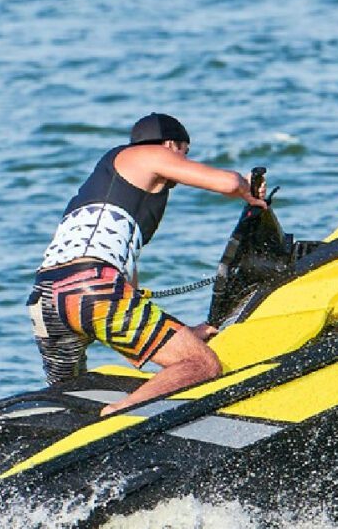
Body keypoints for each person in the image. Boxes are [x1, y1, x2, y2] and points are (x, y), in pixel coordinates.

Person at [31, 113, 266, 415]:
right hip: (91, 288)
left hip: (47, 299)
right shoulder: (148, 154)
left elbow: (128, 297)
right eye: (185, 153)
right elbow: (227, 182)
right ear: (171, 145)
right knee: (203, 364)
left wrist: (181, 334)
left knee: (69, 401)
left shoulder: (109, 193)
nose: (184, 162)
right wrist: (246, 187)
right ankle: (118, 418)